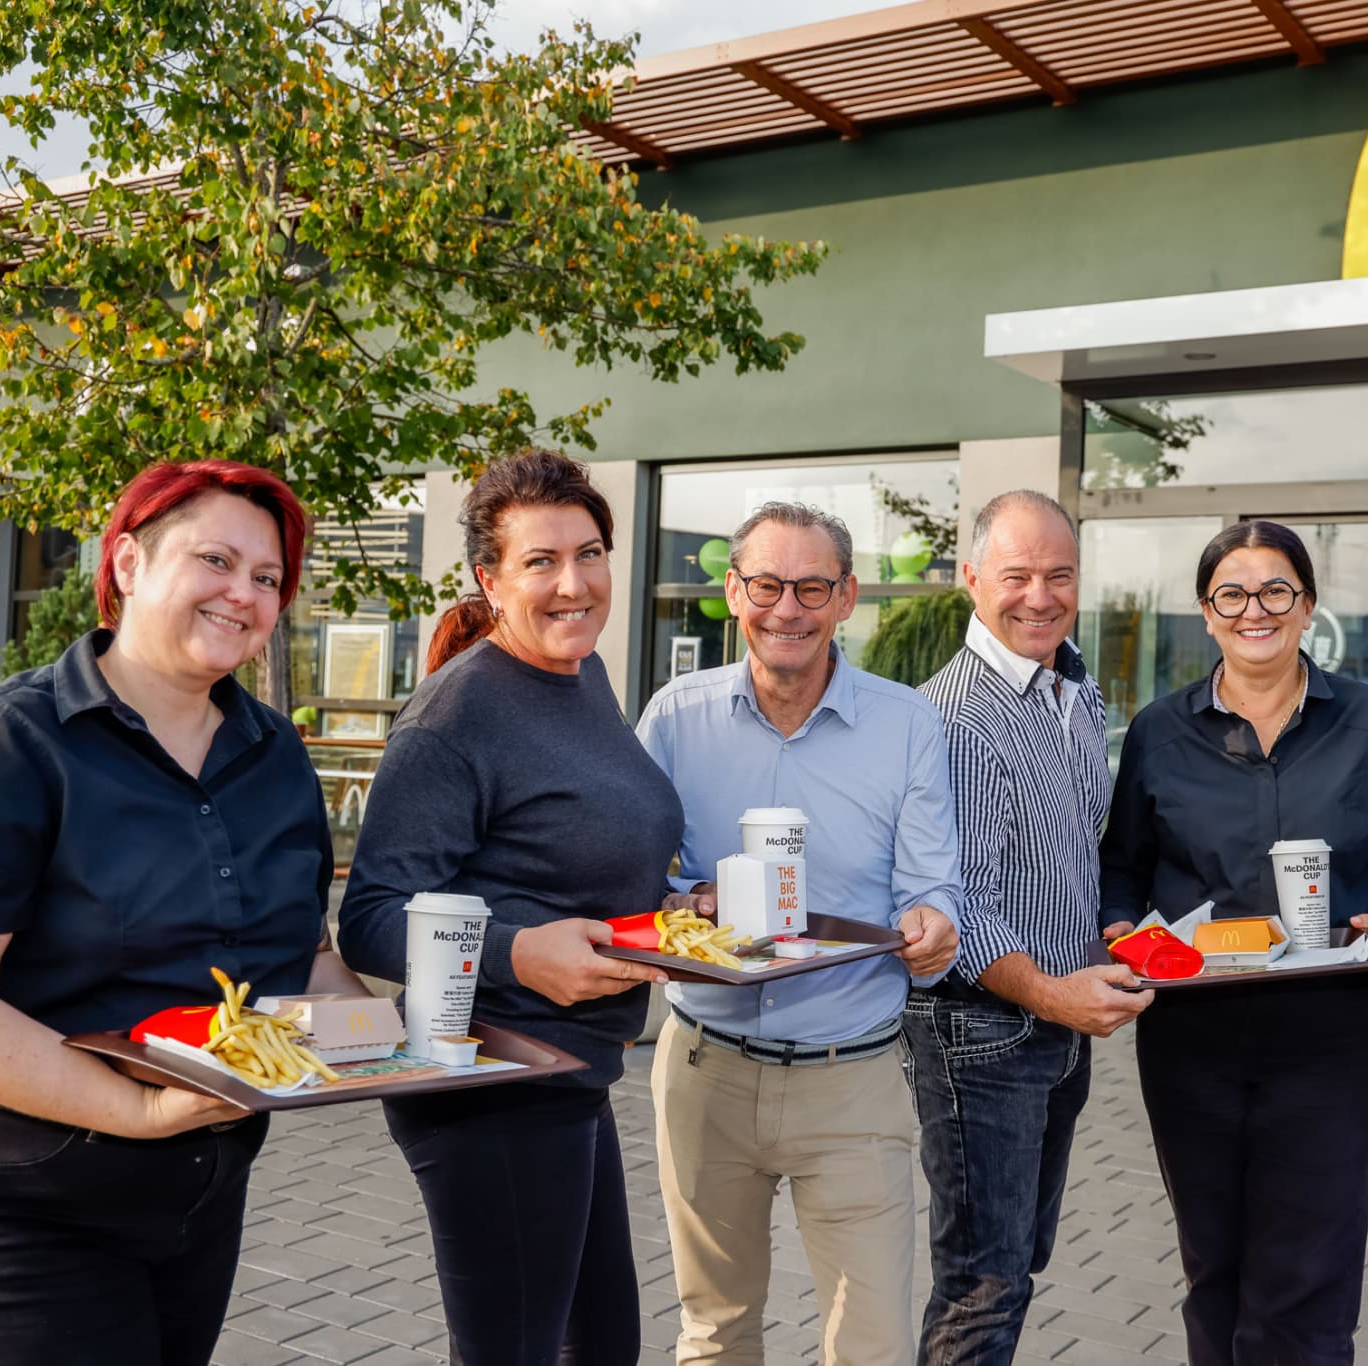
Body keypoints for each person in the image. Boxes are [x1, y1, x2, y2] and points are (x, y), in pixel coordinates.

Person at [0, 459, 355, 1366]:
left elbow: (302, 955)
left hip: (199, 1185)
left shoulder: (274, 750)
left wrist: (402, 1041)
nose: (243, 595)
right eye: (215, 559)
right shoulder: (5, 741)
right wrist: (136, 1113)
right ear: (128, 564)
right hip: (13, 1194)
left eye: (267, 578)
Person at [337, 449, 683, 1366]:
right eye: (540, 562)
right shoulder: (455, 716)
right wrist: (519, 953)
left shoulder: (583, 678)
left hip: (569, 1075)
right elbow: (370, 913)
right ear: (490, 581)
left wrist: (685, 901)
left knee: (600, 1348)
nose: (574, 583)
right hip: (491, 1085)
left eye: (590, 553)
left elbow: (571, 859)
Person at [1099, 519, 1368, 1365]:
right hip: (1192, 1036)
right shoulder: (1159, 731)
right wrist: (1120, 933)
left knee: (1309, 1277)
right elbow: (1122, 870)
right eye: (1233, 594)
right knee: (1213, 1266)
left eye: (1275, 591)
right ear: (1207, 614)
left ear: (1309, 606)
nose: (1255, 609)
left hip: (1327, 1033)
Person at [636, 501, 963, 1366]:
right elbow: (630, 877)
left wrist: (935, 925)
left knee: (876, 1345)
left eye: (812, 587)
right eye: (768, 585)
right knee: (715, 1331)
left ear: (846, 596)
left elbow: (931, 884)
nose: (788, 608)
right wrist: (681, 902)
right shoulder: (674, 716)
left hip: (850, 1076)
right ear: (734, 591)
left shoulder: (906, 724)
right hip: (706, 1067)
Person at [907, 489, 1148, 1363]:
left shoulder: (1075, 692)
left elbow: (1074, 856)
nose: (1039, 596)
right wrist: (1057, 995)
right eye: (1016, 576)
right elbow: (956, 902)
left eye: (1060, 575)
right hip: (982, 1034)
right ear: (971, 578)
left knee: (1020, 1264)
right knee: (983, 1282)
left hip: (1057, 1027)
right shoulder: (951, 718)